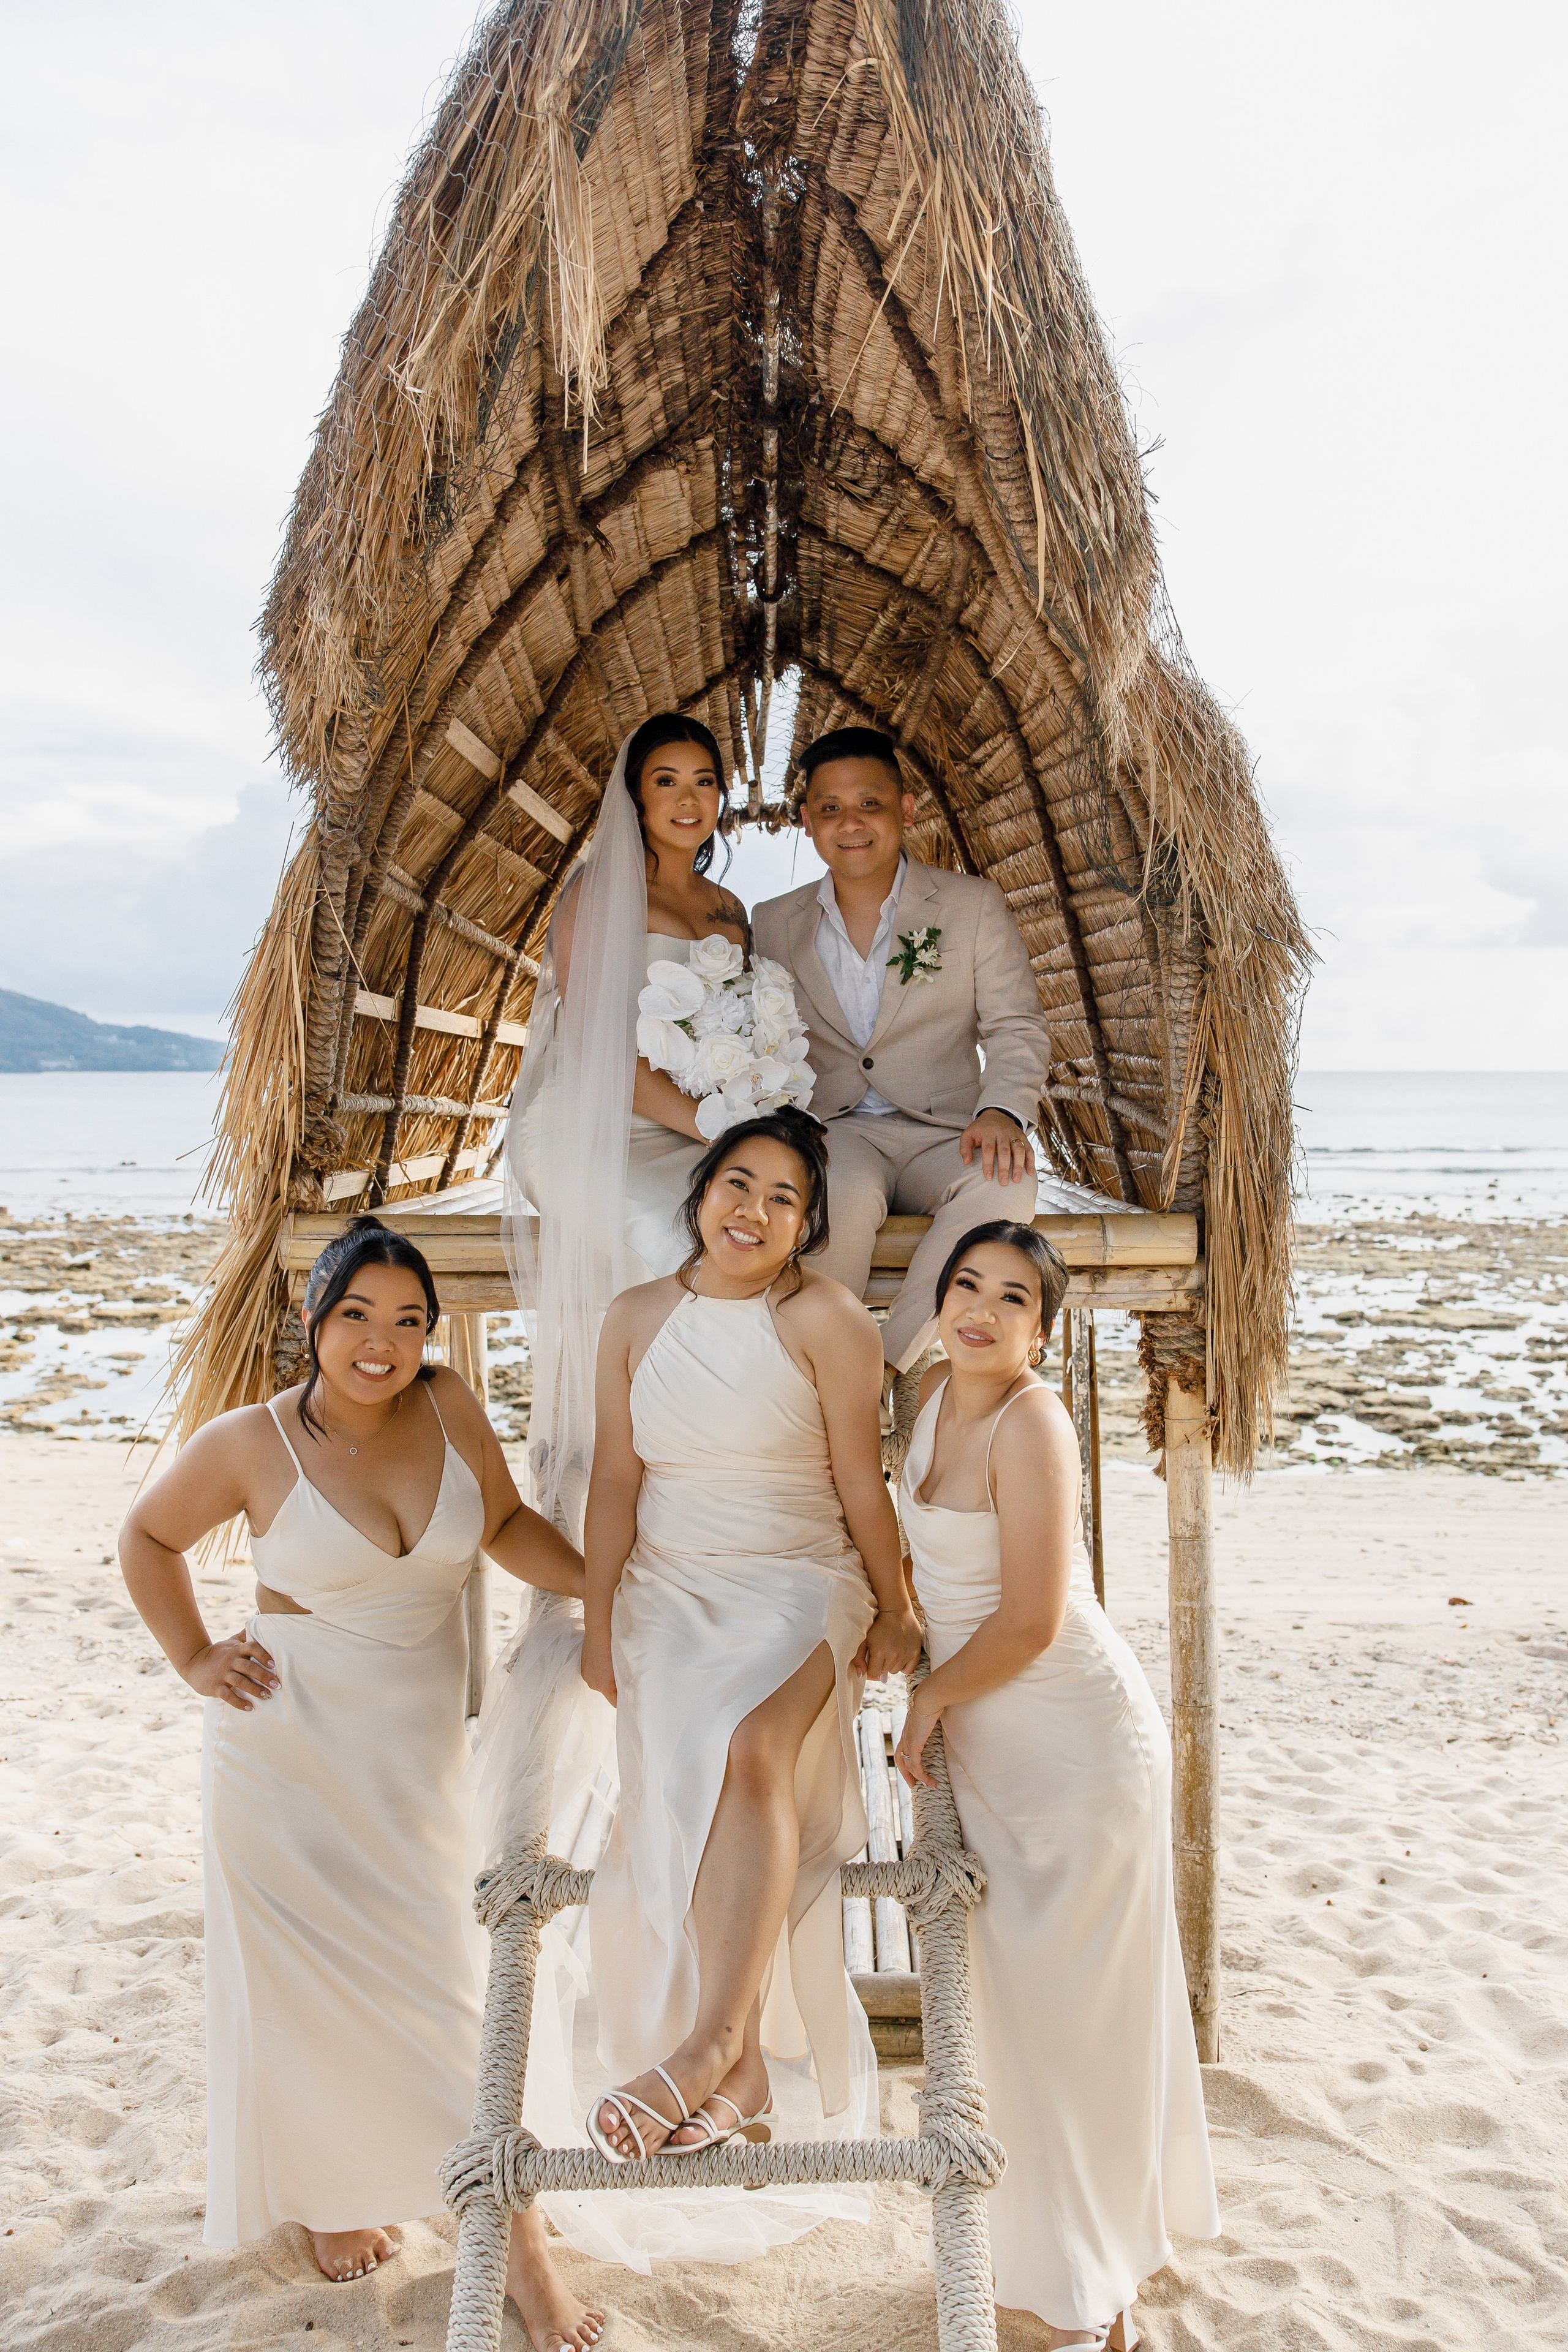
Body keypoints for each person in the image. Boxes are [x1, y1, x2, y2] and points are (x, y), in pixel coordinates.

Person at [118, 1217, 605, 2352]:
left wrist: (608, 1589)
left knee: (439, 1983)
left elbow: (506, 1526)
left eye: (407, 1321)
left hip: (415, 1757)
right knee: (311, 1992)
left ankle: (418, 2194)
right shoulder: (249, 1442)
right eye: (356, 1317)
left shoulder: (447, 1406)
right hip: (283, 1753)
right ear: (312, 1320)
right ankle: (428, 2228)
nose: (382, 1343)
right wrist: (195, 1656)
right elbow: (147, 1537)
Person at [894, 1220, 1219, 2351]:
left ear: (1046, 1328)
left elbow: (1030, 1616)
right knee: (1019, 2012)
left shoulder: (1035, 1421)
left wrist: (931, 1697)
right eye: (965, 1285)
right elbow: (925, 1564)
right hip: (994, 1739)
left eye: (1013, 1299)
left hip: (1071, 1739)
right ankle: (1057, 2249)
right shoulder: (934, 1394)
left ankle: (1090, 2283)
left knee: (1074, 2016)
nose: (980, 1309)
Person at [579, 1109, 922, 2170]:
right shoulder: (635, 1317)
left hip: (802, 1578)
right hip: (672, 1584)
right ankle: (751, 2079)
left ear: (808, 1225)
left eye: (785, 1199)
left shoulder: (828, 1321)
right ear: (701, 1194)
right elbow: (615, 1480)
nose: (756, 1211)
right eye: (740, 1184)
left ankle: (716, 2042)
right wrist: (598, 1624)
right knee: (690, 1751)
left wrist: (896, 1603)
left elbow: (863, 1486)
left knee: (755, 1748)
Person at [504, 713, 747, 1540]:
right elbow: (598, 1047)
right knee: (677, 1233)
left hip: (689, 1126)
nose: (689, 799)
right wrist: (712, 1126)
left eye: (704, 781)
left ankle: (717, 1457)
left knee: (747, 1228)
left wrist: (742, 1108)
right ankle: (658, 1457)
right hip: (583, 1123)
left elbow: (740, 1033)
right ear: (635, 797)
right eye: (667, 781)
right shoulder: (598, 891)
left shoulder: (729, 908)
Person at [752, 727, 1055, 1376]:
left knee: (1006, 1182)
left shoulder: (971, 906)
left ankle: (883, 1368)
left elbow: (1017, 1026)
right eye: (829, 808)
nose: (850, 823)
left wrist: (1003, 1109)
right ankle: (822, 1370)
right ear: (807, 822)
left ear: (906, 809)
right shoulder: (771, 922)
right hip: (836, 1131)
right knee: (836, 1198)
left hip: (948, 1129)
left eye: (869, 804)